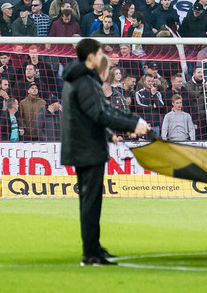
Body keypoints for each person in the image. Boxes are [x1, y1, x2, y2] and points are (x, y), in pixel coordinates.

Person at [61, 38, 148, 266]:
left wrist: (110, 133)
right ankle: (90, 254)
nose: (103, 57)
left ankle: (94, 247)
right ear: (91, 57)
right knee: (91, 202)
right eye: (100, 53)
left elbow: (91, 113)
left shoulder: (77, 78)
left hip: (83, 145)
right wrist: (132, 123)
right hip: (87, 148)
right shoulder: (85, 81)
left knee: (90, 201)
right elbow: (101, 112)